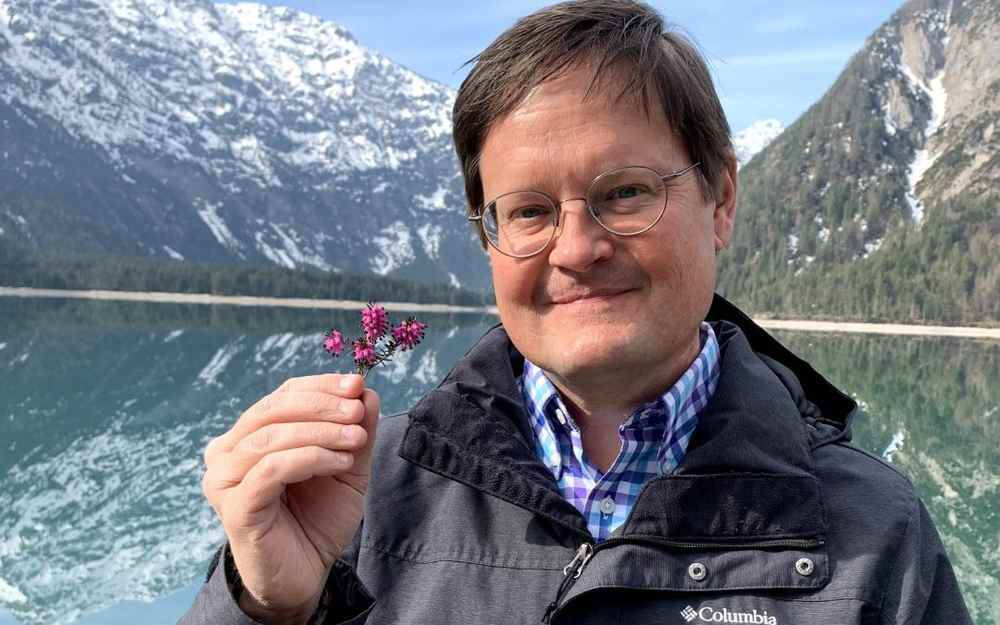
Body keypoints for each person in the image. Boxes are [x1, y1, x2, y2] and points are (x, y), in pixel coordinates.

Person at [180, 1, 973, 623]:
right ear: (486, 238)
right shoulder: (360, 490)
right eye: (528, 212)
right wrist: (267, 607)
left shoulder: (877, 533)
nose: (577, 246)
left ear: (720, 199)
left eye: (624, 193)